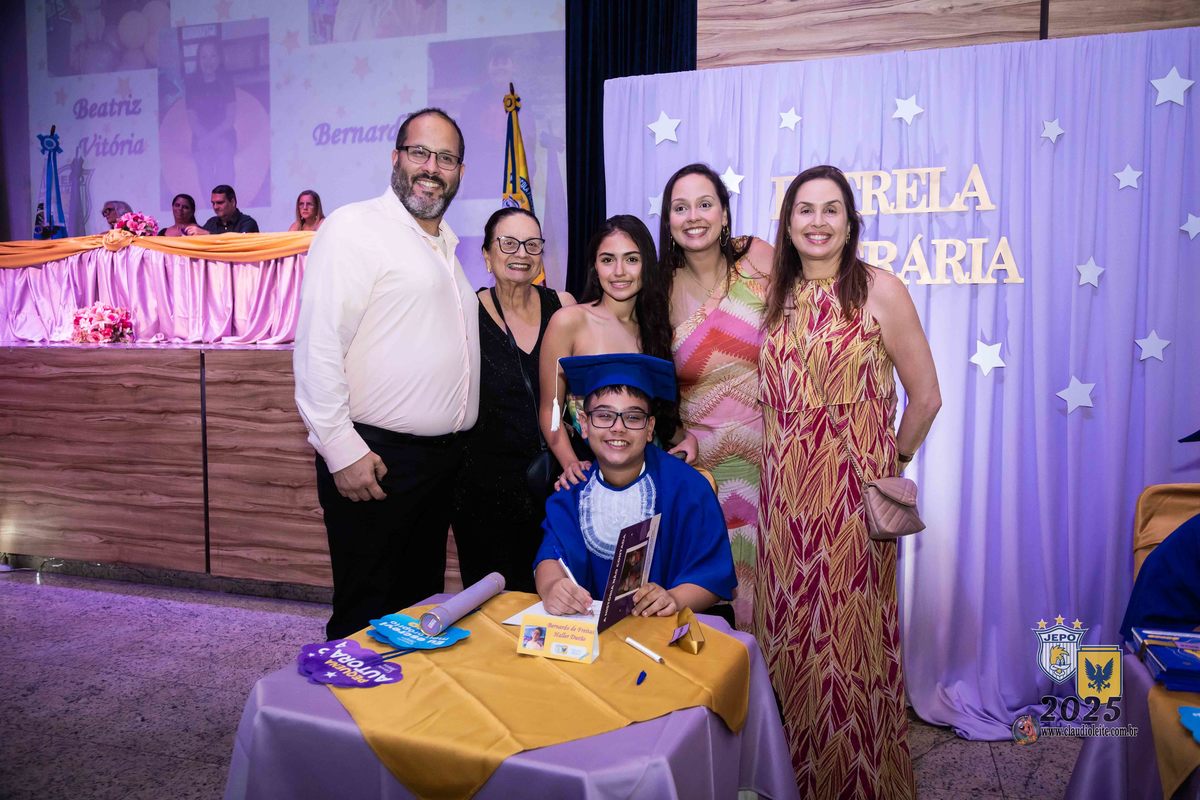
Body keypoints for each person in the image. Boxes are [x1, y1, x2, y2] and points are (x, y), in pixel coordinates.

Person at [756, 165, 941, 798]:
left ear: (850, 222)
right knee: (791, 640)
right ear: (787, 224)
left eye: (831, 209)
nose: (817, 222)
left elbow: (926, 397)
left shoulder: (880, 290)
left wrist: (890, 464)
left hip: (851, 504)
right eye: (804, 209)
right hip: (784, 503)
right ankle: (790, 781)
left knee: (848, 644)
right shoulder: (774, 295)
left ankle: (860, 783)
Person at [294, 107, 478, 641]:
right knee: (364, 621)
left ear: (460, 172)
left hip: (436, 466)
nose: (431, 167)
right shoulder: (355, 227)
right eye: (420, 152)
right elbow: (319, 345)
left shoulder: (444, 245)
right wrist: (340, 449)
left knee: (414, 616)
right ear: (395, 157)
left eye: (446, 158)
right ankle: (343, 699)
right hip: (375, 460)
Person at [659, 162, 774, 631]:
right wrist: (675, 433)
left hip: (775, 460)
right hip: (704, 472)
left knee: (778, 593)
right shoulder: (658, 289)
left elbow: (812, 321)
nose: (693, 216)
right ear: (668, 220)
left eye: (705, 204)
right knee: (715, 603)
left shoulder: (756, 258)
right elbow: (652, 382)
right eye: (680, 207)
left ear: (724, 213)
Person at [534, 353, 736, 617]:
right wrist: (552, 587)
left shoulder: (688, 489)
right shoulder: (574, 491)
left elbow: (713, 575)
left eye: (633, 417)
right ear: (584, 424)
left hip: (664, 630)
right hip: (590, 634)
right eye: (604, 415)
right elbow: (550, 557)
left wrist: (674, 598)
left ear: (650, 428)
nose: (618, 428)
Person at [451, 208, 574, 592]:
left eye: (532, 244)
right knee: (491, 601)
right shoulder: (465, 312)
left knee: (557, 598)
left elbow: (578, 396)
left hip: (554, 482)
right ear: (487, 254)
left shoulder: (563, 306)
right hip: (483, 489)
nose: (521, 253)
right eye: (508, 243)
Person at [538, 215, 695, 490]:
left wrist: (687, 439)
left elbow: (659, 412)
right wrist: (570, 463)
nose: (619, 271)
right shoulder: (569, 322)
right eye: (608, 260)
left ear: (647, 265)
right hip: (589, 475)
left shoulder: (655, 330)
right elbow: (550, 410)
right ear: (595, 267)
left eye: (631, 259)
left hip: (650, 474)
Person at [186, 40, 236, 199]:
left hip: (224, 134)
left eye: (213, 56)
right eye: (204, 57)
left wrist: (211, 139)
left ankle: (227, 206)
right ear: (198, 60)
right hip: (200, 137)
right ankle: (211, 207)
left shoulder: (226, 82)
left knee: (224, 158)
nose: (208, 61)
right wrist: (205, 139)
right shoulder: (192, 84)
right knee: (204, 162)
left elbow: (229, 119)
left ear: (219, 58)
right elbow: (192, 120)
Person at [187, 185, 259, 235]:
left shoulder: (247, 222)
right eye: (213, 203)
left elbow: (238, 245)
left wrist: (208, 234)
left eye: (220, 203)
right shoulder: (211, 223)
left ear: (233, 202)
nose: (215, 207)